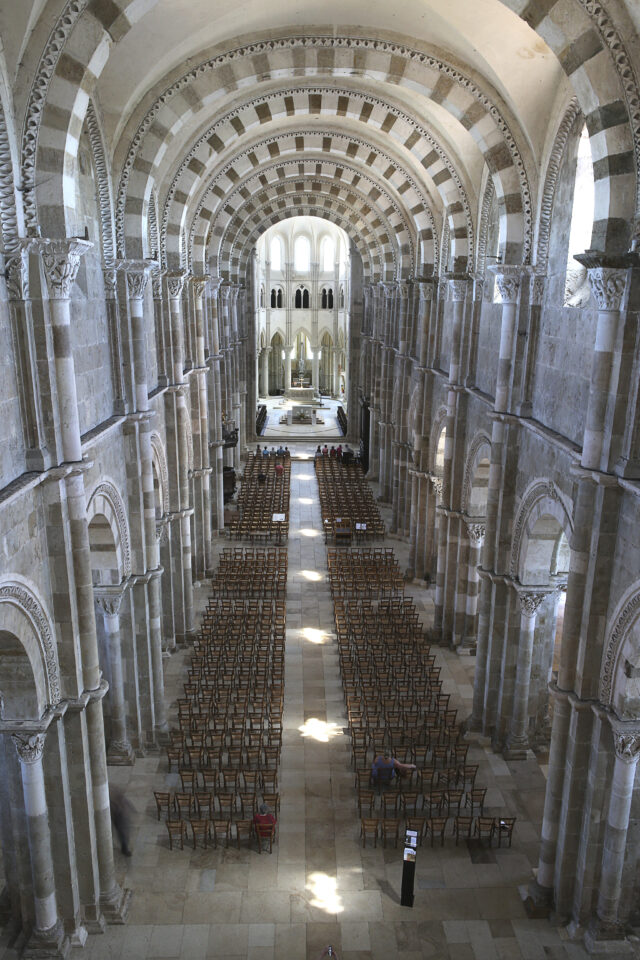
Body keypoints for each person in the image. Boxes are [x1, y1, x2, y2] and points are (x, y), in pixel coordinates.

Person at [110, 786, 134, 857]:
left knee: (125, 836)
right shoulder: (114, 803)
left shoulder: (121, 800)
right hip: (120, 824)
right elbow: (114, 812)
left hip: (123, 822)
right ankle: (124, 849)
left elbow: (128, 804)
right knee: (123, 836)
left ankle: (125, 848)